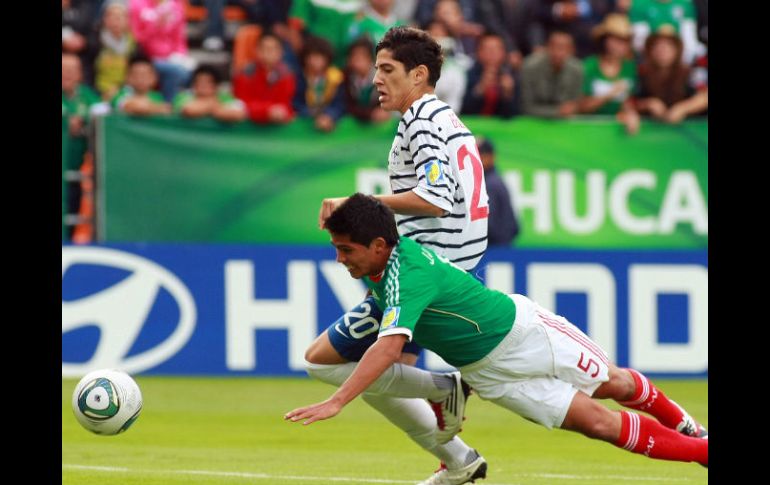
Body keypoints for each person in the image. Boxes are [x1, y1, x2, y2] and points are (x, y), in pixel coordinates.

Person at [286, 193, 709, 475]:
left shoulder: (406, 276)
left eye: (346, 250)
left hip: (526, 334)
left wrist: (337, 401)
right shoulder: (384, 259)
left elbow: (389, 347)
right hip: (489, 375)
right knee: (598, 425)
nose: (340, 259)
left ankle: (686, 425)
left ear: (378, 245)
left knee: (610, 383)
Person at [307, 26, 491, 485]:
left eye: (387, 70)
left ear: (419, 74)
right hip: (452, 266)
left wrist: (360, 203)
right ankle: (458, 462)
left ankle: (445, 393)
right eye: (376, 69)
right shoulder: (442, 117)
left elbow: (435, 197)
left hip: (423, 271)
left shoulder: (423, 122)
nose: (376, 80)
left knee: (321, 361)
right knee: (387, 377)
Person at [578, 13, 640, 135]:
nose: (620, 46)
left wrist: (630, 114)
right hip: (588, 130)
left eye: (624, 41)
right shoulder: (589, 66)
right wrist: (609, 94)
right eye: (615, 39)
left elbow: (629, 100)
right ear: (605, 40)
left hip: (616, 133)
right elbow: (581, 107)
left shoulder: (630, 67)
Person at [634, 25, 707, 124]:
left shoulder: (690, 73)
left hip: (690, 132)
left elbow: (704, 97)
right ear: (650, 50)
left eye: (668, 46)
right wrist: (648, 104)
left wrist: (683, 108)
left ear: (677, 50)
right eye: (657, 46)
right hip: (653, 133)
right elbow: (630, 102)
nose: (662, 50)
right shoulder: (642, 74)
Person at [232, 31, 297, 125]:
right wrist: (267, 111)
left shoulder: (287, 75)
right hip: (248, 126)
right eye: (265, 48)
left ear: (281, 52)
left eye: (274, 48)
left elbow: (286, 104)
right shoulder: (245, 73)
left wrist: (280, 112)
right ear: (257, 50)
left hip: (277, 127)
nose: (269, 52)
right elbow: (242, 103)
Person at [520, 30, 583, 118]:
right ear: (547, 47)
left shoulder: (577, 69)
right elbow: (525, 107)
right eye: (555, 47)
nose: (559, 52)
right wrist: (557, 112)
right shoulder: (530, 67)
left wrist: (571, 109)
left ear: (572, 51)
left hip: (563, 124)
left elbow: (574, 105)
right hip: (534, 122)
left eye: (564, 48)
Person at [477, 139, 518, 246]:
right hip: (500, 247)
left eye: (481, 154)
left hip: (493, 249)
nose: (477, 159)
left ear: (491, 156)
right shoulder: (492, 179)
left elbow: (487, 224)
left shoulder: (490, 183)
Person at [173, 65, 247, 122]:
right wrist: (213, 106)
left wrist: (208, 108)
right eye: (200, 81)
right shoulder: (183, 96)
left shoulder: (225, 97)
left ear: (217, 86)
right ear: (193, 84)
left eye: (208, 82)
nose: (203, 85)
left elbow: (239, 114)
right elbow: (188, 110)